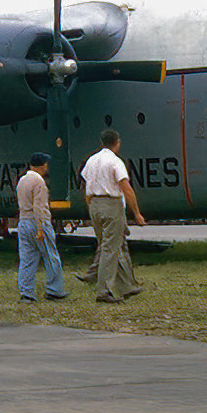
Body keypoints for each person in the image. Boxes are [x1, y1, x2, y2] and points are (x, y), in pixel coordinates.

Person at [78, 129, 146, 303]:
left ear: (101, 142)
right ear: (117, 142)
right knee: (110, 249)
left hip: (94, 204)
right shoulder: (115, 162)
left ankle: (127, 286)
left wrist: (92, 206)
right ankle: (104, 291)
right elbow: (126, 189)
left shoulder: (91, 161)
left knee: (113, 245)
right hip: (111, 204)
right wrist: (136, 213)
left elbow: (86, 183)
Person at [15, 152, 64, 302]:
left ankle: (26, 292)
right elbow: (39, 207)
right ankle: (54, 289)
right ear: (43, 165)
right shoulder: (39, 182)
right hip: (37, 221)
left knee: (27, 259)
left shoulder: (22, 180)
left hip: (23, 221)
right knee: (50, 256)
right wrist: (40, 227)